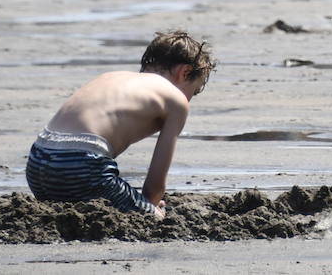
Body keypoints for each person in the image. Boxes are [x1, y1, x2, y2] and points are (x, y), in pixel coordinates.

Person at [26, 29, 215, 218]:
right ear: (185, 72)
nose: (189, 99)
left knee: (74, 200)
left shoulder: (111, 76)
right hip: (81, 163)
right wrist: (149, 206)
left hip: (37, 162)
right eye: (194, 91)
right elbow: (155, 185)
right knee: (153, 217)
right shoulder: (176, 100)